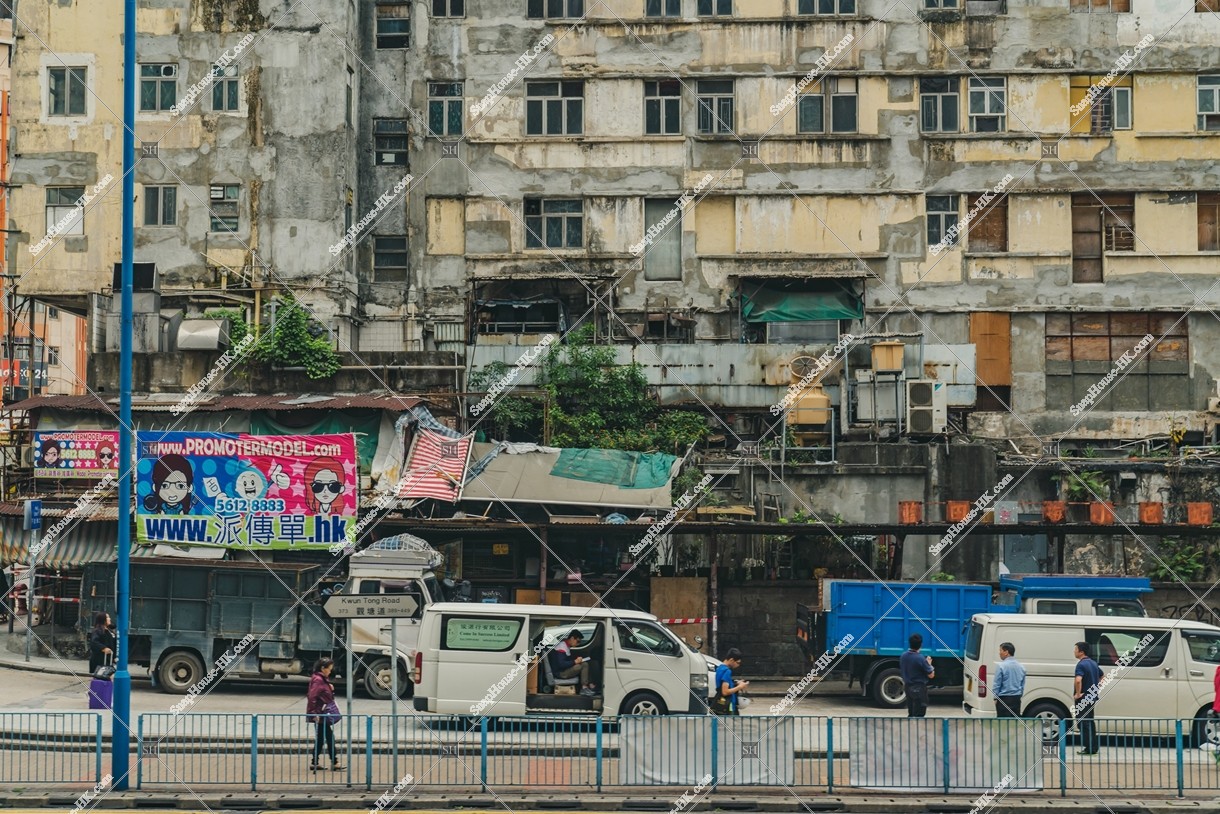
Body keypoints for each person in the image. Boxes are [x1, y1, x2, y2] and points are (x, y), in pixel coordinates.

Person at [306, 657, 344, 771]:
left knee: (322, 738)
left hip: (321, 714)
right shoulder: (318, 679)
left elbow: (323, 694)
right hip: (320, 714)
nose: (330, 671)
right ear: (323, 668)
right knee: (328, 737)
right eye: (329, 668)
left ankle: (316, 762)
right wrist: (313, 713)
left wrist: (330, 689)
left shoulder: (322, 679)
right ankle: (334, 762)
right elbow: (312, 696)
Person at [1073, 641, 1102, 755]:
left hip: (1083, 698)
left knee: (1083, 723)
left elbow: (1078, 680)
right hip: (1092, 697)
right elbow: (1101, 675)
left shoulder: (1081, 664)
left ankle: (1088, 747)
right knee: (1090, 722)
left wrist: (1079, 694)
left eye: (1075, 649)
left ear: (1081, 652)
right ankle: (1094, 747)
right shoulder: (1093, 663)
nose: (1074, 651)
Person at [550, 629, 597, 696]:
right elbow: (561, 664)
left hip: (564, 670)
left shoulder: (566, 646)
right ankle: (584, 688)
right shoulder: (561, 647)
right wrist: (575, 661)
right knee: (583, 665)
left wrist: (576, 660)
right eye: (577, 641)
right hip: (560, 673)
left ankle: (589, 685)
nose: (578, 644)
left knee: (584, 663)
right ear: (572, 638)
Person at [900, 633, 935, 718]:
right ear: (921, 644)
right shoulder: (920, 658)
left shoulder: (903, 656)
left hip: (908, 688)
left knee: (911, 713)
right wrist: (929, 664)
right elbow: (931, 675)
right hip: (919, 689)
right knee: (919, 715)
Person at [992, 642, 1026, 718]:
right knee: (1013, 724)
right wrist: (1019, 695)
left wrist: (995, 697)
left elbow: (997, 684)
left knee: (1003, 725)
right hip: (1016, 699)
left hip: (1004, 699)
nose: (999, 653)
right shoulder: (1021, 667)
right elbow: (1022, 685)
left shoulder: (1001, 666)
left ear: (1006, 652)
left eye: (1000, 650)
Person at [712, 648, 749, 715]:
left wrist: (736, 683)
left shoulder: (720, 668)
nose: (738, 665)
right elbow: (725, 692)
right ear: (731, 660)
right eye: (738, 662)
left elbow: (723, 683)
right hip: (729, 707)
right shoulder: (727, 671)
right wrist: (740, 687)